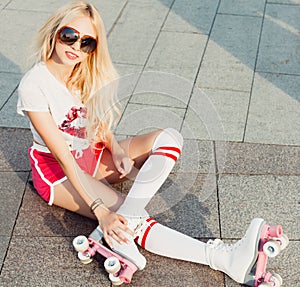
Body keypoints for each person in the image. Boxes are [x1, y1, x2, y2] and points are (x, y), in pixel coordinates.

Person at [17, 1, 279, 285]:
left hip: (92, 157)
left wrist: (116, 149)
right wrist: (100, 211)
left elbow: (93, 123)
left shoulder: (81, 73)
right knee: (125, 217)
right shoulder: (35, 84)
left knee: (169, 138)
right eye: (69, 36)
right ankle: (223, 259)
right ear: (55, 31)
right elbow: (64, 157)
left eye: (87, 43)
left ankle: (126, 223)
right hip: (57, 171)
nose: (75, 47)